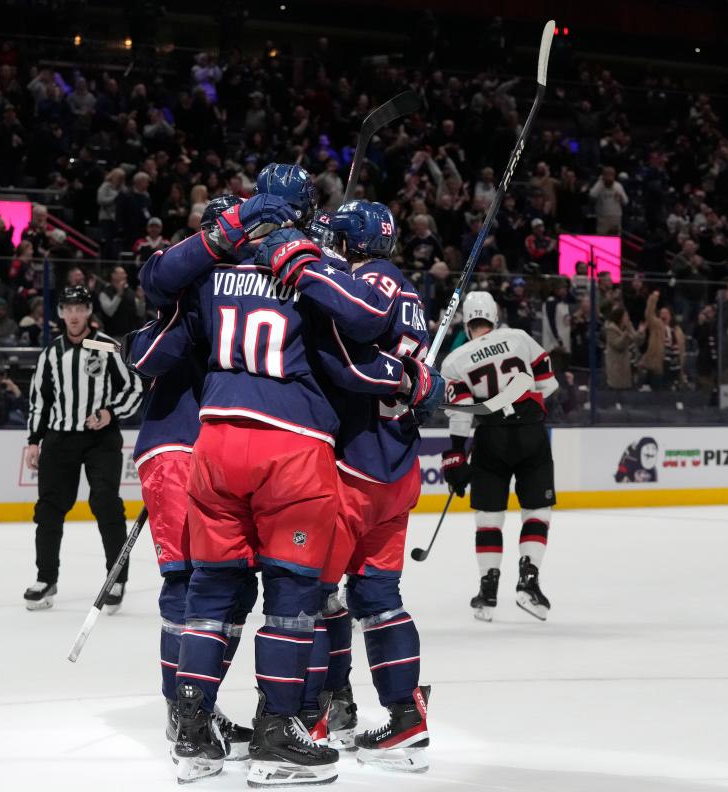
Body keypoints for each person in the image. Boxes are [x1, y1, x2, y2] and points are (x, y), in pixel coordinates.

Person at [130, 164, 440, 785]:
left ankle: (192, 730)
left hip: (215, 442)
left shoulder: (208, 274)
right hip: (295, 450)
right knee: (297, 599)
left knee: (210, 591)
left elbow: (149, 346)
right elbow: (361, 338)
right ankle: (281, 730)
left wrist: (215, 248)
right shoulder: (309, 274)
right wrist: (410, 380)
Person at [304, 201, 435, 771]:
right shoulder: (408, 291)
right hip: (399, 467)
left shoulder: (369, 281)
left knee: (313, 593)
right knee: (378, 598)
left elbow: (347, 360)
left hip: (354, 465)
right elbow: (419, 381)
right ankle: (405, 714)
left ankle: (322, 708)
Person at [128, 194, 254, 762]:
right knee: (187, 583)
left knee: (230, 584)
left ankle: (197, 699)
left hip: (220, 454)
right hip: (176, 450)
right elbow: (145, 356)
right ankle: (181, 708)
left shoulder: (240, 297)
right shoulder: (182, 296)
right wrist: (192, 316)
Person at [23, 285, 144, 611]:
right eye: (68, 308)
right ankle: (46, 578)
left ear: (88, 311)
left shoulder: (104, 345)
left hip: (100, 439)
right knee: (49, 508)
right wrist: (34, 441)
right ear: (61, 313)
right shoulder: (51, 352)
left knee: (105, 502)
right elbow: (39, 400)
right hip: (59, 439)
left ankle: (116, 579)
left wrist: (110, 412)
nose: (74, 315)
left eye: (80, 308)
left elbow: (134, 387)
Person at [440, 291, 559, 621]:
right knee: (537, 510)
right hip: (531, 431)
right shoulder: (519, 338)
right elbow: (549, 384)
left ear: (466, 320)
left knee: (488, 517)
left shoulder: (455, 360)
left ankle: (488, 592)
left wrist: (455, 456)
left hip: (491, 437)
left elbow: (462, 412)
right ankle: (529, 581)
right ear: (495, 315)